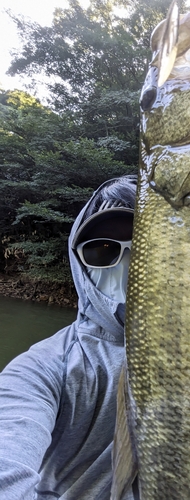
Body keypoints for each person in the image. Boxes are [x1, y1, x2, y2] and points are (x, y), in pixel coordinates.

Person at [0, 175, 137, 500]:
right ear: (79, 262)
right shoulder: (41, 369)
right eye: (102, 250)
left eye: (143, 248)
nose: (125, 263)